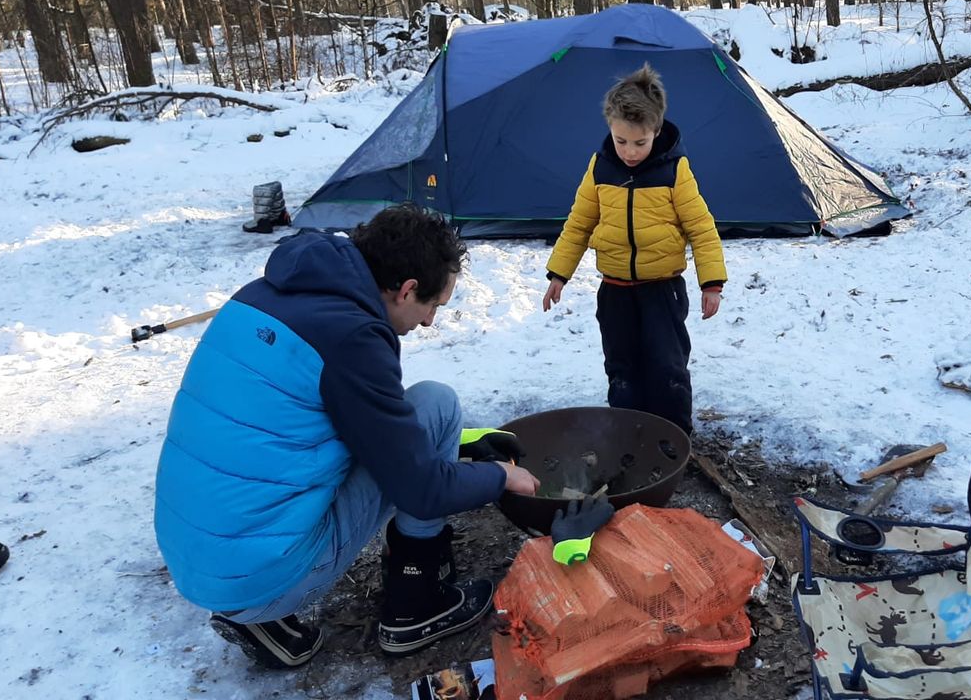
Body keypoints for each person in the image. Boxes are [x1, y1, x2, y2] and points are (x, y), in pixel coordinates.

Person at [154, 205, 540, 669]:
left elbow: (335, 424)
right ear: (407, 289)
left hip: (200, 560)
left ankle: (255, 613)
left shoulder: (261, 295)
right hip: (262, 573)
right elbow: (418, 485)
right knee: (437, 402)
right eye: (434, 305)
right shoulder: (351, 338)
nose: (430, 322)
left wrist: (460, 448)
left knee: (405, 430)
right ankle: (416, 604)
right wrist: (499, 477)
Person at [542, 63, 726, 435]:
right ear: (610, 128)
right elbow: (579, 223)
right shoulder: (600, 168)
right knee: (621, 366)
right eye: (620, 141)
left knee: (666, 366)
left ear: (656, 132)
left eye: (640, 143)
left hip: (662, 289)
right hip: (615, 291)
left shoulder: (674, 170)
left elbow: (701, 227)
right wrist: (558, 274)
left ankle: (673, 436)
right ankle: (628, 433)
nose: (629, 152)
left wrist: (712, 282)